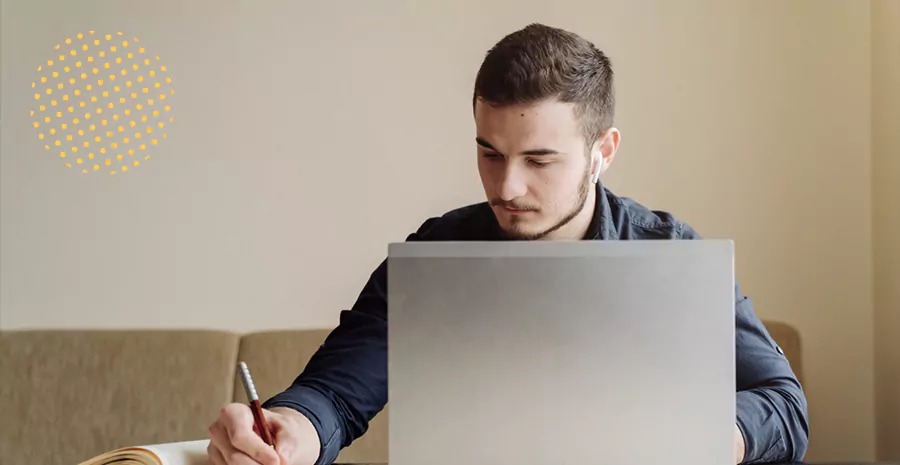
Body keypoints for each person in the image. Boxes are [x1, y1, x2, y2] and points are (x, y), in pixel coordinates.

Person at [206, 23, 809, 465]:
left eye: (538, 160)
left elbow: (784, 406)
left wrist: (710, 432)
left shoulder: (672, 254)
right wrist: (291, 426)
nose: (507, 185)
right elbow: (336, 395)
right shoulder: (436, 254)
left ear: (603, 151)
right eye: (489, 154)